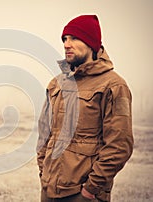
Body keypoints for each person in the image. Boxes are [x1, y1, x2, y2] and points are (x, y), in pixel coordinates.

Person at [37, 15, 133, 202]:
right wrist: (44, 172)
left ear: (91, 43)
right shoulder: (56, 84)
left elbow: (119, 145)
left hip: (83, 194)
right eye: (65, 39)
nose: (66, 44)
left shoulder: (114, 85)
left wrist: (91, 190)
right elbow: (44, 134)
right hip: (49, 191)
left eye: (74, 38)